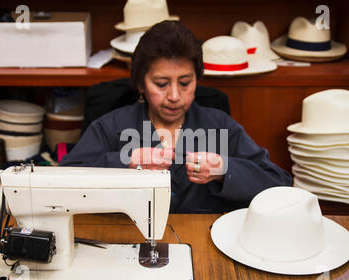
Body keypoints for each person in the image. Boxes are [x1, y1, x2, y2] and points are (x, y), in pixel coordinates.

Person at [60, 20, 292, 213]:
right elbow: (62, 183)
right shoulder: (111, 126)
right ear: (141, 84)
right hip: (126, 241)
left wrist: (223, 170)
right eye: (161, 84)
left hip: (205, 243)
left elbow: (278, 183)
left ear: (196, 80)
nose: (174, 96)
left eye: (185, 83)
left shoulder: (219, 125)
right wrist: (125, 162)